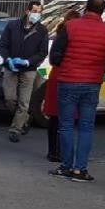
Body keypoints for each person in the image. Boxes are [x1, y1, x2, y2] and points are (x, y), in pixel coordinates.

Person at [48, 0, 105, 183]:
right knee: (86, 127)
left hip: (68, 81)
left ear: (85, 8)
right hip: (92, 83)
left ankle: (65, 166)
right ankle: (80, 169)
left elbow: (55, 55)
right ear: (102, 11)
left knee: (66, 125)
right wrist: (100, 69)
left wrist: (65, 65)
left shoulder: (70, 27)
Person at [0, 0, 50, 143]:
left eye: (39, 12)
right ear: (27, 11)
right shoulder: (13, 26)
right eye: (34, 11)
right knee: (10, 99)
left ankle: (15, 129)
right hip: (11, 68)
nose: (36, 14)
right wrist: (8, 59)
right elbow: (2, 45)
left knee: (24, 102)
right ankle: (25, 118)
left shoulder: (42, 31)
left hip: (29, 70)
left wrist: (28, 62)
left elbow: (42, 52)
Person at [44, 9, 81, 163]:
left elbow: (54, 58)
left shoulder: (60, 33)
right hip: (70, 76)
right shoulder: (75, 35)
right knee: (67, 118)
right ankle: (62, 152)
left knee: (54, 117)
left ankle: (53, 151)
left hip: (57, 75)